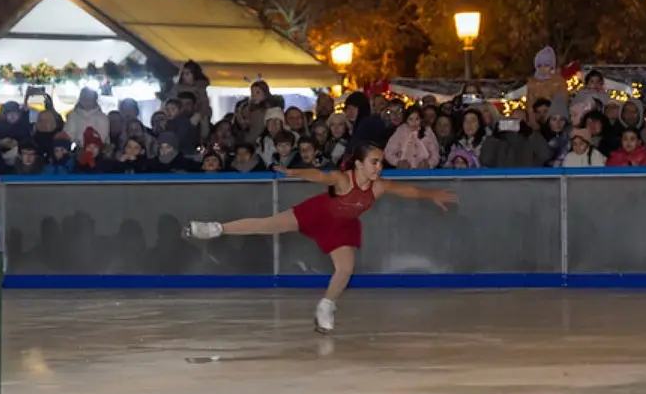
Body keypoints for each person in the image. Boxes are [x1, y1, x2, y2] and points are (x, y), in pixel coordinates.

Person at [184, 142, 457, 334]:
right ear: (359, 164)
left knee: (346, 268)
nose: (379, 167)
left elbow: (406, 190)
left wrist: (432, 195)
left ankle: (326, 307)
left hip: (342, 227)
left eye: (380, 162)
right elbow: (318, 176)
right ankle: (215, 229)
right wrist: (292, 172)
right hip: (318, 213)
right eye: (374, 162)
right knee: (268, 225)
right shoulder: (342, 179)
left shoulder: (379, 187)